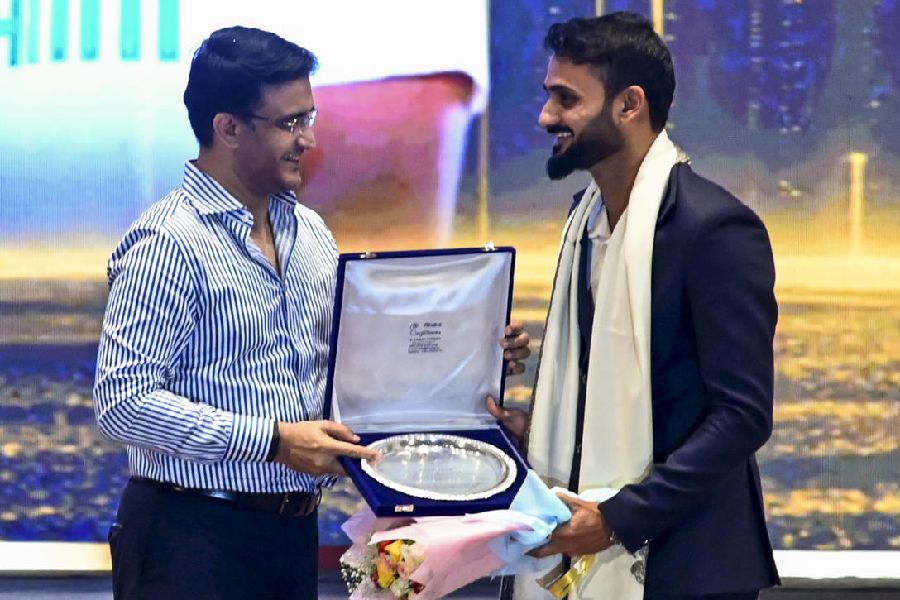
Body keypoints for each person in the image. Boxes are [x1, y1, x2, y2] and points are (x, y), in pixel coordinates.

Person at [93, 26, 529, 600]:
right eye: (290, 123)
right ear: (227, 128)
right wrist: (272, 441)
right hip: (190, 538)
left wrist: (473, 351)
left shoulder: (311, 233)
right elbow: (122, 403)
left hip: (295, 532)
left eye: (309, 118)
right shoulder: (167, 240)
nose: (310, 138)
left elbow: (351, 362)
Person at [488, 12, 780, 600]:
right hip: (579, 555)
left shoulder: (716, 229)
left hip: (687, 570)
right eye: (548, 96)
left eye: (565, 99)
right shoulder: (584, 217)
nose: (547, 117)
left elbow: (743, 415)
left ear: (629, 105)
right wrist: (539, 437)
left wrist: (617, 518)